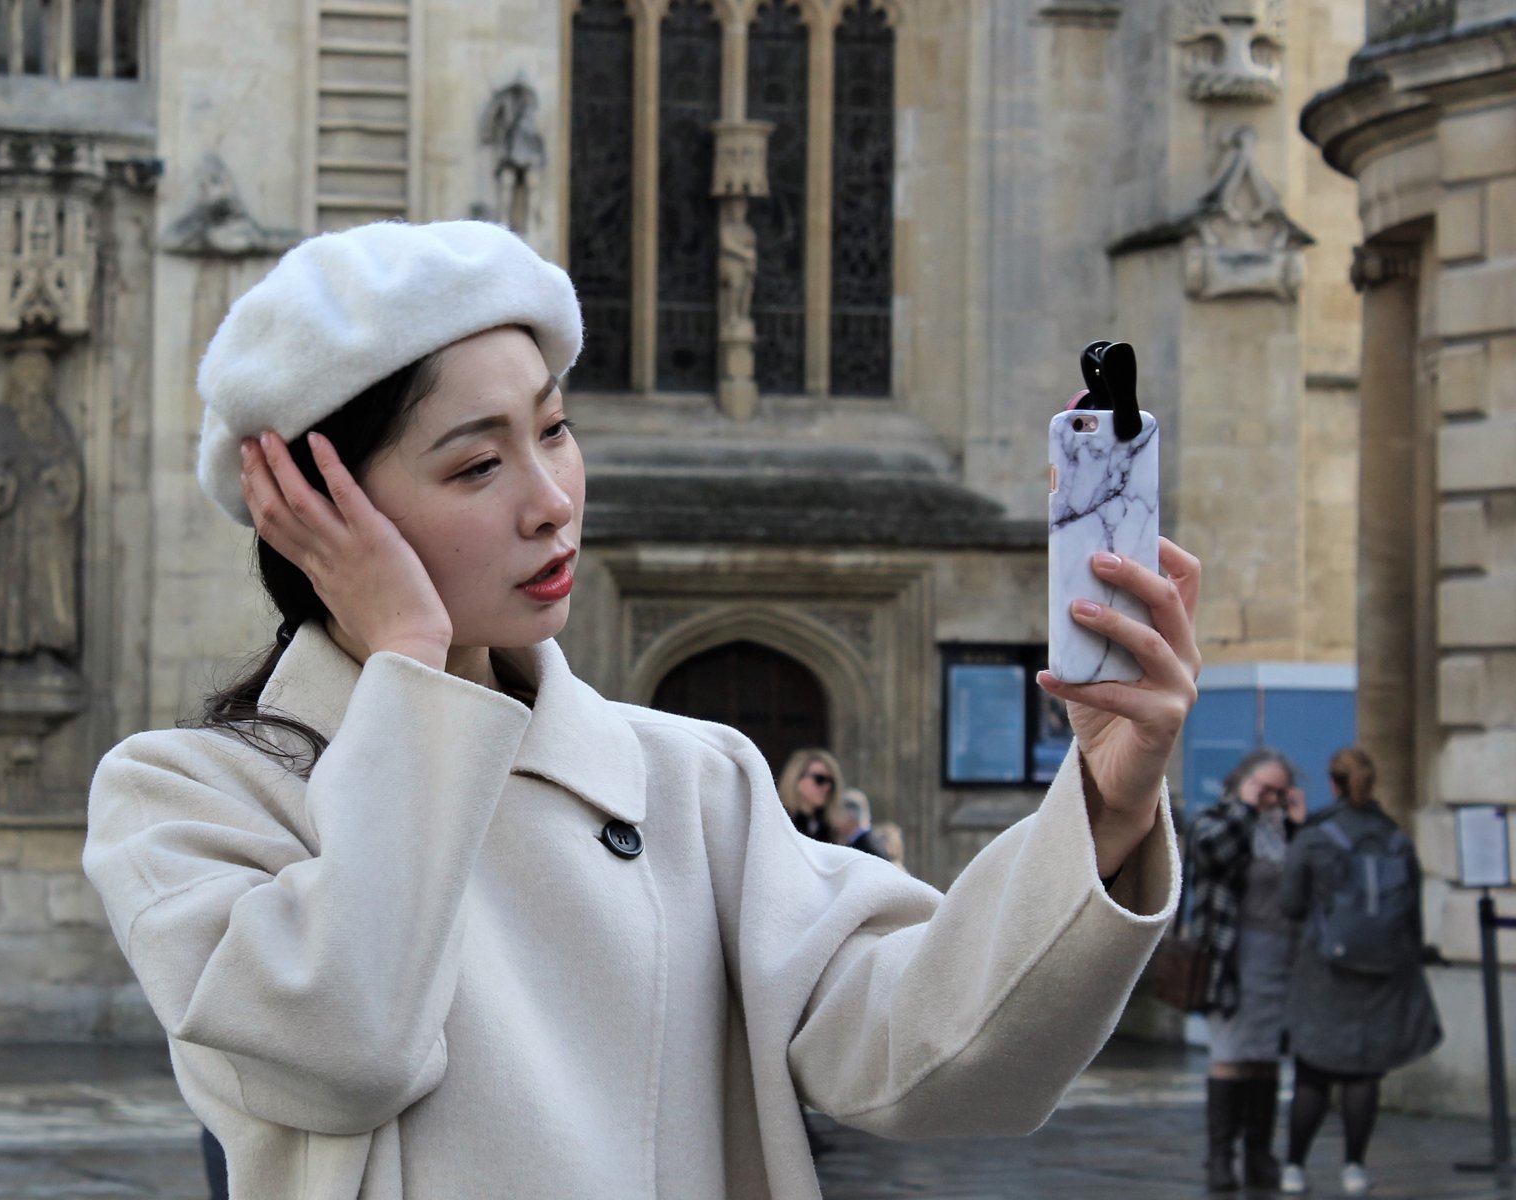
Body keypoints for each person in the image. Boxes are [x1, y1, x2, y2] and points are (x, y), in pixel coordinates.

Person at [82, 219, 1201, 1199]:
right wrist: (409, 663)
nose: (552, 499)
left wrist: (1106, 793)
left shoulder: (693, 777)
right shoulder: (187, 796)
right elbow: (344, 1048)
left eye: (555, 430)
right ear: (322, 509)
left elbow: (936, 1059)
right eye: (478, 465)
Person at [1276, 747, 1442, 1197]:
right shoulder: (1394, 836)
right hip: (1384, 968)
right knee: (1364, 1072)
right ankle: (1354, 1168)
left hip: (1324, 968)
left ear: (1332, 782)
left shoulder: (1315, 836)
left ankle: (1294, 1167)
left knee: (1313, 1068)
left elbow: (1290, 903)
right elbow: (1412, 914)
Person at [1189, 748, 1306, 1192]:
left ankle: (1259, 1153)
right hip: (1232, 958)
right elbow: (1213, 853)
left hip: (1282, 959)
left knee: (1266, 1061)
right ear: (1242, 783)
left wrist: (1297, 825)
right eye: (1265, 788)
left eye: (1279, 790)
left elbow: (1306, 882)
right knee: (1231, 1055)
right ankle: (1221, 1157)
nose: (1271, 799)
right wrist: (1248, 807)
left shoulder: (1285, 830)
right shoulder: (1216, 819)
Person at [777, 747, 843, 843]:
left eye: (831, 782)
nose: (827, 787)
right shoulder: (780, 822)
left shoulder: (832, 830)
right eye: (820, 779)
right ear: (797, 779)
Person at [835, 788, 893, 861]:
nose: (834, 817)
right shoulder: (862, 842)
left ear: (849, 815)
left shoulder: (868, 847)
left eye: (837, 812)